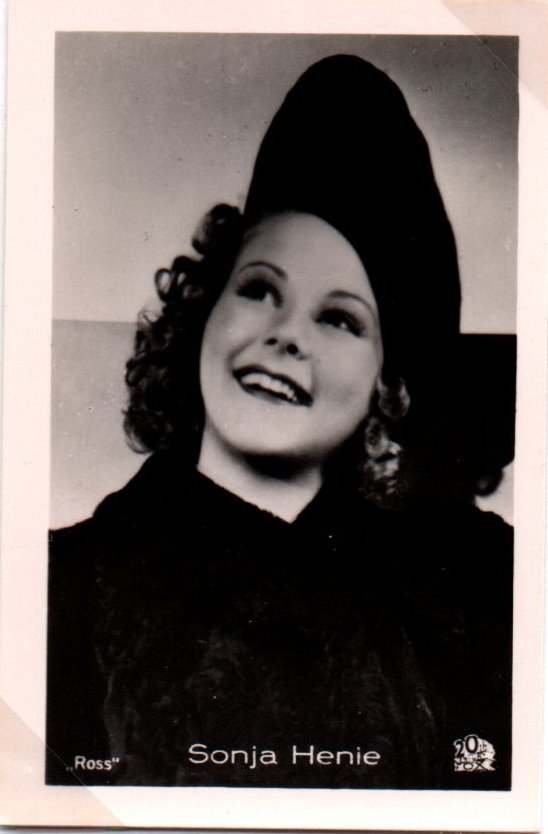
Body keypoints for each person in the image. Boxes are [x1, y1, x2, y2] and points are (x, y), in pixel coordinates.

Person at [46, 55, 512, 789]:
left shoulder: (473, 599)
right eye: (260, 289)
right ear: (203, 311)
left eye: (339, 318)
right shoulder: (58, 587)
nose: (287, 335)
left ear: (384, 389)